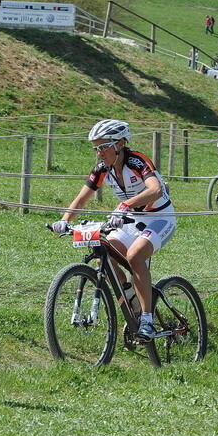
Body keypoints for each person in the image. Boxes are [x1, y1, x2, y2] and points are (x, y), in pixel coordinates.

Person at [50, 120, 176, 342]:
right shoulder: (102, 169)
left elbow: (155, 190)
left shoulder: (137, 160)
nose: (99, 154)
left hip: (159, 217)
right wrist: (64, 220)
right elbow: (82, 198)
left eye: (103, 147)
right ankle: (131, 297)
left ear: (119, 144)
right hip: (129, 219)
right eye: (96, 148)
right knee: (104, 255)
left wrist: (126, 205)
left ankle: (147, 320)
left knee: (135, 256)